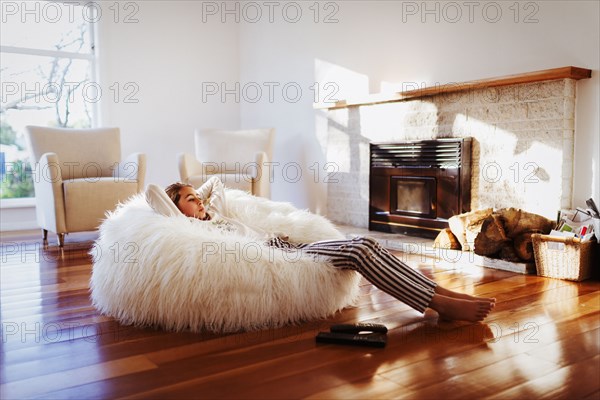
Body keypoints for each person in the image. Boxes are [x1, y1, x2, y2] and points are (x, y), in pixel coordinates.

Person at [148, 177, 495, 323]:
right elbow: (156, 201)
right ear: (178, 210)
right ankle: (438, 303)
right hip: (280, 257)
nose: (199, 201)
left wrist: (195, 194)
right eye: (190, 200)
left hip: (289, 243)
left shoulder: (215, 211)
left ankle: (439, 294)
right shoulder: (192, 231)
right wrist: (176, 200)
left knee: (365, 242)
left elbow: (215, 185)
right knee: (359, 250)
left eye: (198, 196)